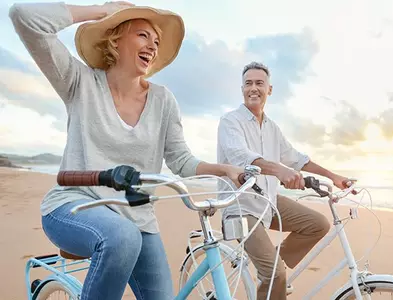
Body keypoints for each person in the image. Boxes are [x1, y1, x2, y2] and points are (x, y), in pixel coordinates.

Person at [9, 2, 243, 299]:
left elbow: (180, 160)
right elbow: (25, 18)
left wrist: (223, 169)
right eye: (143, 35)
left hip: (138, 217)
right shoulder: (80, 82)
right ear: (115, 39)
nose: (152, 46)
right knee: (121, 237)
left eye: (156, 42)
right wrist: (100, 10)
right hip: (75, 203)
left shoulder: (163, 100)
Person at [216, 61, 355, 300]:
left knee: (318, 224)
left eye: (259, 83)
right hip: (240, 207)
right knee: (276, 275)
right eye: (248, 83)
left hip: (267, 201)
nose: (253, 88)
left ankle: (272, 264)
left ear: (269, 89)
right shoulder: (230, 122)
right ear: (242, 89)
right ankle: (273, 273)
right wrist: (279, 171)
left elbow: (296, 159)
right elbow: (242, 157)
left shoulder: (272, 128)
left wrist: (334, 177)